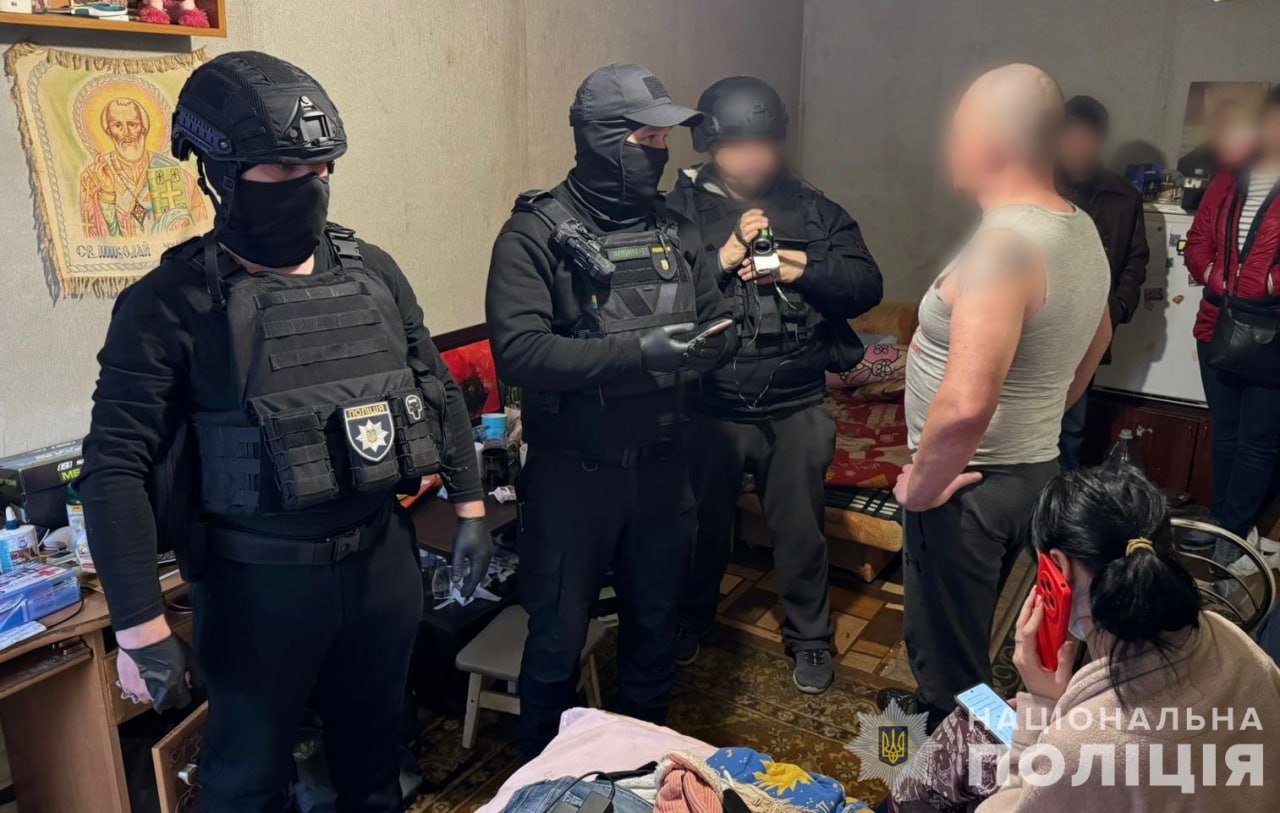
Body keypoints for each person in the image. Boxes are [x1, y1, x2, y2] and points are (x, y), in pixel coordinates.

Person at [79, 52, 490, 812]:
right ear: (221, 172)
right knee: (245, 781)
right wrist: (137, 624)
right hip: (256, 589)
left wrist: (470, 509)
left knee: (378, 766)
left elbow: (435, 388)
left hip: (380, 564)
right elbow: (113, 468)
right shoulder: (168, 303)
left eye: (322, 166)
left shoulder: (373, 270)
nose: (312, 184)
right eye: (284, 168)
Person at [485, 64, 735, 755]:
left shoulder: (675, 230)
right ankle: (543, 772)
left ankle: (641, 762)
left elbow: (715, 317)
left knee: (654, 630)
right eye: (645, 138)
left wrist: (713, 344)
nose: (659, 153)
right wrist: (639, 353)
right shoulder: (533, 234)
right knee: (557, 639)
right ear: (600, 138)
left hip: (664, 470)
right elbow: (521, 353)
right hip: (576, 478)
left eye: (664, 139)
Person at [888, 64, 1112, 729]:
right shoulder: (1078, 228)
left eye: (957, 129)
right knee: (978, 634)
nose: (949, 143)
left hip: (968, 490)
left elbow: (965, 405)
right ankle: (967, 729)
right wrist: (1040, 418)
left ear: (990, 142)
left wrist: (921, 487)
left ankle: (961, 759)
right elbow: (1097, 338)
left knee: (952, 667)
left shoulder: (1004, 250)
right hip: (1030, 471)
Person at [886, 466, 1280, 812]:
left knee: (959, 737)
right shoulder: (1232, 638)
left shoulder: (1081, 745)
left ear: (1057, 568)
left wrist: (1043, 711)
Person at [665, 76, 882, 693]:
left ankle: (810, 639)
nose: (754, 156)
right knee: (700, 528)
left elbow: (866, 285)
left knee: (801, 532)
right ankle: (690, 618)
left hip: (796, 403)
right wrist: (722, 258)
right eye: (739, 144)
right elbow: (659, 304)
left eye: (764, 142)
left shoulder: (814, 209)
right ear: (711, 144)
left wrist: (803, 266)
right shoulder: (676, 214)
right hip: (709, 404)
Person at [1184, 86, 1280, 560]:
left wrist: (1267, 283)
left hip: (1272, 333)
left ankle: (1237, 536)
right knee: (1224, 432)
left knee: (1258, 442)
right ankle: (1221, 523)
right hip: (1217, 324)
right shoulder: (1229, 178)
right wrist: (1212, 274)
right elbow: (1197, 238)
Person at [1054, 95, 1149, 470]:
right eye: (1072, 136)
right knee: (1026, 427)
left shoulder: (1124, 196)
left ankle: (1063, 503)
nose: (1079, 146)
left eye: (1088, 137)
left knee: (1072, 430)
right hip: (1036, 325)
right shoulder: (1039, 184)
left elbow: (1136, 260)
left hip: (1089, 330)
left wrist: (1117, 308)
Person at [79, 96, 207, 238]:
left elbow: (202, 226)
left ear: (144, 128)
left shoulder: (178, 175)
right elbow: (95, 234)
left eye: (133, 124)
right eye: (118, 126)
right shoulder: (92, 177)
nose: (126, 133)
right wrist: (107, 194)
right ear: (108, 131)